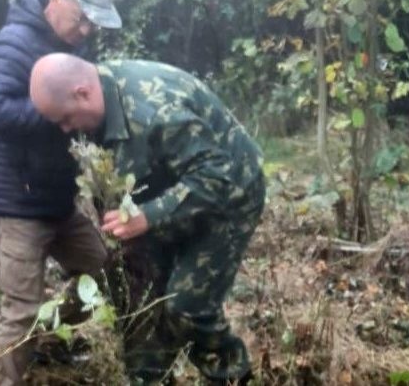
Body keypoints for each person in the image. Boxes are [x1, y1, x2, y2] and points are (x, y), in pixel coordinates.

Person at [29, 52, 266, 385]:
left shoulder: (156, 112)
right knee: (142, 302)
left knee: (187, 307)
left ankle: (233, 378)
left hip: (229, 194)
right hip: (167, 189)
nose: (65, 129)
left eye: (66, 119)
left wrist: (149, 216)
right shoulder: (98, 101)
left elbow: (216, 176)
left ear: (83, 93)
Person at [0, 0, 122, 386]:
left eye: (93, 23)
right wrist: (54, 110)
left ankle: (48, 338)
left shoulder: (71, 44)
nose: (86, 30)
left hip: (58, 200)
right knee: (20, 309)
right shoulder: (15, 42)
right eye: (81, 19)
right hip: (18, 203)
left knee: (106, 274)